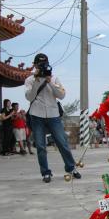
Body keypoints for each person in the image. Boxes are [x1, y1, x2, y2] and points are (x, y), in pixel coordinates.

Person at [25, 53, 80, 183]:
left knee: (62, 143)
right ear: (35, 65)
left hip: (53, 115)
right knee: (40, 146)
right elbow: (29, 97)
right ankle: (45, 172)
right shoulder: (30, 80)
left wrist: (49, 82)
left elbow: (61, 95)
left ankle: (71, 168)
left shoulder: (54, 78)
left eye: (44, 64)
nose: (42, 66)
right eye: (39, 64)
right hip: (36, 115)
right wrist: (37, 81)